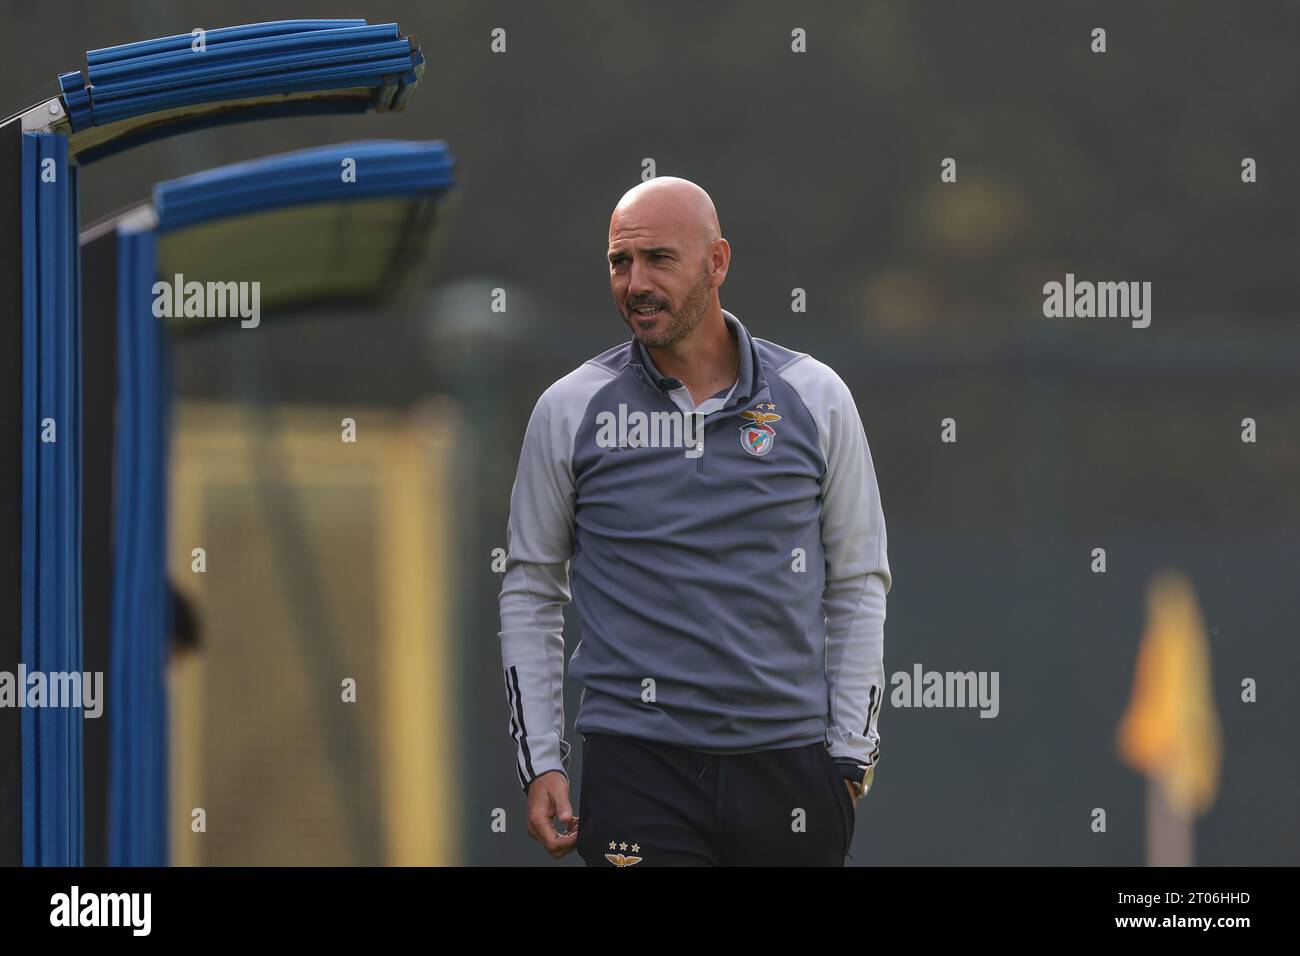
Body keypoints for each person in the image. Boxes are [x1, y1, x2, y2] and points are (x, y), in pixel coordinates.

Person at [498, 176, 890, 865]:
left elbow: (858, 581)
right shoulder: (568, 409)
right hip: (638, 770)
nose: (635, 282)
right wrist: (542, 763)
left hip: (789, 770)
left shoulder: (816, 397)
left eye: (659, 259)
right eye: (621, 262)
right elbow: (531, 591)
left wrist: (850, 755)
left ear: (717, 263)